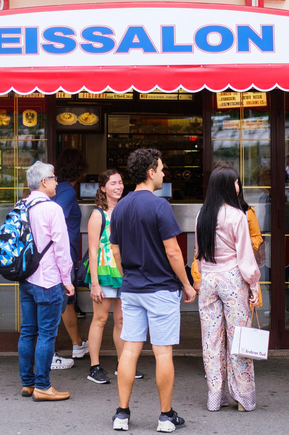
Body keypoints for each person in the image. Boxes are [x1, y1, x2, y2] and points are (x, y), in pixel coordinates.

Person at [109, 148, 197, 432]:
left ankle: (122, 414)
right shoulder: (160, 206)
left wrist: (128, 276)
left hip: (132, 289)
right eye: (160, 168)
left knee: (130, 352)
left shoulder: (120, 206)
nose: (163, 173)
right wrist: (186, 284)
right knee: (162, 354)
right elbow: (173, 252)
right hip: (160, 290)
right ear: (150, 172)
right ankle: (165, 416)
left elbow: (115, 250)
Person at [193, 166, 260, 412]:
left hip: (209, 278)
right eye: (236, 182)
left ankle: (214, 396)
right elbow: (245, 257)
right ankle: (243, 398)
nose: (239, 186)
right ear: (228, 186)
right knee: (238, 337)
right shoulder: (237, 215)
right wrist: (254, 284)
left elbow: (200, 252)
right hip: (232, 279)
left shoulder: (203, 214)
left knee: (211, 339)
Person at [17, 161, 74, 402]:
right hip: (48, 279)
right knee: (47, 334)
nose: (56, 182)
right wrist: (67, 279)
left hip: (26, 278)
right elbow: (62, 248)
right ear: (43, 182)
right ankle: (43, 386)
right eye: (53, 178)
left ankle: (27, 384)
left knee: (28, 331)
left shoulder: (21, 205)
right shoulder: (52, 209)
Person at [86, 169, 127, 385]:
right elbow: (92, 251)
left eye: (120, 182)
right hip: (103, 272)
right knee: (100, 319)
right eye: (113, 183)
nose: (118, 186)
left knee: (121, 319)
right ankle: (94, 367)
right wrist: (94, 284)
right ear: (103, 188)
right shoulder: (97, 215)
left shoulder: (125, 210)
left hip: (123, 272)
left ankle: (124, 365)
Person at [50, 148, 89, 370]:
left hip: (62, 256)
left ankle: (77, 344)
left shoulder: (60, 189)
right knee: (58, 303)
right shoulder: (67, 192)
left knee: (67, 303)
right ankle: (50, 353)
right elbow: (56, 219)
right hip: (60, 257)